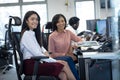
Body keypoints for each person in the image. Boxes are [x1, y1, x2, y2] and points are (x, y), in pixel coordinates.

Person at [20, 11, 76, 80]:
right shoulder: (27, 34)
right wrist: (54, 61)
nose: (35, 21)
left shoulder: (31, 33)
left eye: (37, 19)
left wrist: (45, 51)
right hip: (32, 66)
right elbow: (37, 53)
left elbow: (39, 47)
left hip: (37, 63)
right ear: (26, 21)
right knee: (64, 64)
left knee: (63, 75)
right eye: (32, 19)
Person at [48, 14, 83, 80]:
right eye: (58, 22)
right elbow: (51, 54)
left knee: (64, 76)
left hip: (67, 59)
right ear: (55, 24)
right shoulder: (52, 36)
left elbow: (79, 39)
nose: (61, 23)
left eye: (62, 21)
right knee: (68, 58)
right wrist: (65, 54)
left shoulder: (68, 32)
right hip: (57, 59)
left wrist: (76, 44)